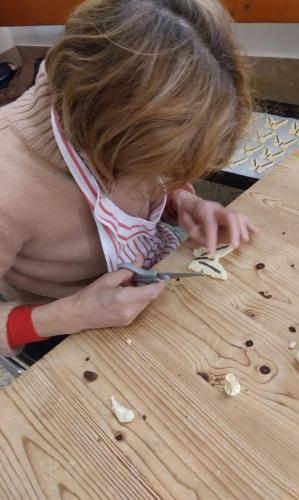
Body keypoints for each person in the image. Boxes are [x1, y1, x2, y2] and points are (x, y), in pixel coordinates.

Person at [0, 0, 256, 357]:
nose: (156, 178)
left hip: (140, 286)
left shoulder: (114, 118)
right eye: (150, 166)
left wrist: (183, 201)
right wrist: (66, 315)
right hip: (58, 329)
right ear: (106, 136)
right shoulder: (7, 185)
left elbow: (144, 179)